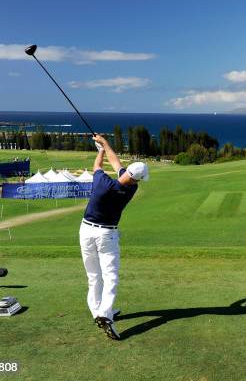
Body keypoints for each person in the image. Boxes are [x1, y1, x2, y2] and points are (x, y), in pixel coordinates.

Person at [80, 134, 150, 340]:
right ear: (136, 178)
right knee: (110, 276)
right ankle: (105, 313)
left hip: (86, 231)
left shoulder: (102, 182)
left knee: (93, 276)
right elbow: (117, 164)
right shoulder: (131, 189)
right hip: (106, 234)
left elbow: (100, 165)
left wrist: (101, 148)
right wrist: (104, 145)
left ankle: (98, 312)